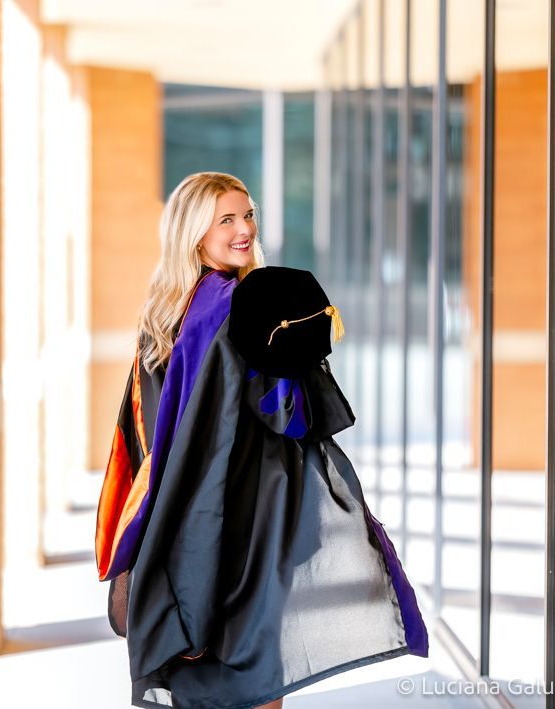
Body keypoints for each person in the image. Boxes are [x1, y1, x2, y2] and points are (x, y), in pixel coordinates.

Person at [95, 171, 428, 709]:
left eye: (248, 215)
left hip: (182, 518)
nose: (243, 229)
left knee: (204, 673)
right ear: (194, 232)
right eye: (226, 219)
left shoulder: (168, 310)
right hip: (241, 516)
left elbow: (147, 429)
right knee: (254, 673)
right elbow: (286, 419)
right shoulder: (237, 307)